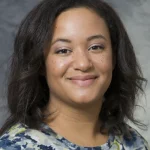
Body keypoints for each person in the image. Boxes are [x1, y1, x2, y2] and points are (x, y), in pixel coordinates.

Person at [0, 0, 149, 149]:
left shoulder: (135, 143)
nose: (83, 64)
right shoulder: (16, 145)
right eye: (63, 50)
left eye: (96, 47)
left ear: (114, 57)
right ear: (40, 64)